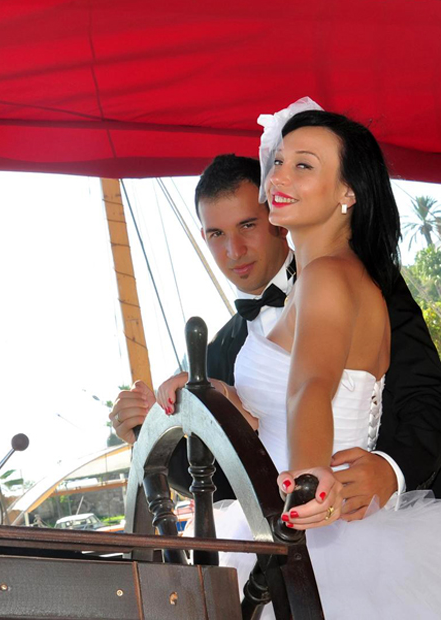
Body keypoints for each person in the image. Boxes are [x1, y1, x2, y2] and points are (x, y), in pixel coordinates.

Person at [159, 102, 441, 618]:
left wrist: (310, 480)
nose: (280, 177)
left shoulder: (333, 277)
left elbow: (311, 387)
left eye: (303, 165)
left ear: (347, 191)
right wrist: (215, 400)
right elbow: (272, 410)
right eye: (278, 162)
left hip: (324, 531)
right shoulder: (303, 292)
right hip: (286, 523)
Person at [111, 153, 441, 513]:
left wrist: (393, 471)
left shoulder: (363, 279)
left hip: (395, 514)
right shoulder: (215, 354)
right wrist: (143, 430)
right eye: (217, 234)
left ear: (277, 217)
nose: (234, 250)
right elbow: (219, 479)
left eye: (247, 225)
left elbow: (426, 391)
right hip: (290, 536)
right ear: (203, 237)